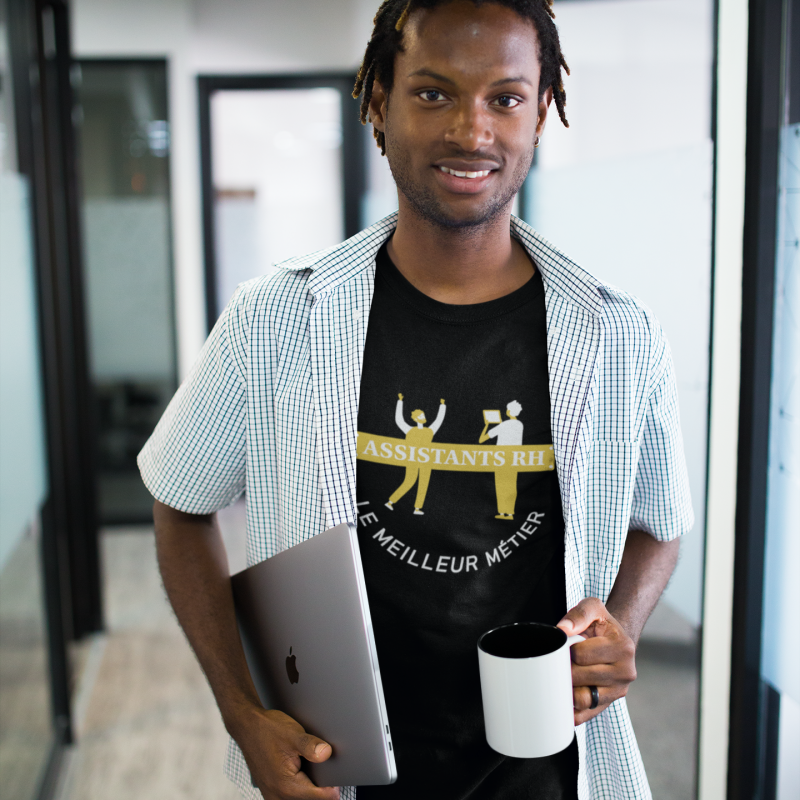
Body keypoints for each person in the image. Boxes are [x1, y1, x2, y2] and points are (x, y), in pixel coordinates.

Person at [138, 1, 693, 799]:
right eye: (433, 93)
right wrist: (241, 710)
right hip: (337, 770)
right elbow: (180, 502)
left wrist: (622, 627)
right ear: (377, 101)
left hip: (550, 773)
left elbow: (660, 523)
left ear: (541, 113)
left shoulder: (618, 334)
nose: (472, 131)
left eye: (505, 98)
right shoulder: (276, 320)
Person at [384, 393, 446, 514]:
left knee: (423, 484)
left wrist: (442, 406)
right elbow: (399, 420)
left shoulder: (430, 431)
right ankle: (391, 501)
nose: (424, 417)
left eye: (423, 415)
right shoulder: (410, 430)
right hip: (412, 460)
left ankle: (417, 508)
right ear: (416, 418)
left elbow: (438, 421)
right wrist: (400, 402)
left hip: (426, 462)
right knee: (409, 481)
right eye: (421, 415)